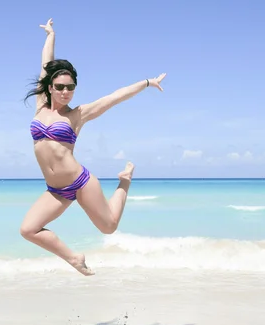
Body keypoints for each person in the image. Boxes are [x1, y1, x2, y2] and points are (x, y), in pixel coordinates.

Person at [20, 18, 166, 276]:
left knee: (108, 227)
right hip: (56, 190)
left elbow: (113, 98)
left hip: (80, 182)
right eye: (60, 87)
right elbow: (46, 62)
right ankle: (75, 258)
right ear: (50, 87)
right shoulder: (41, 104)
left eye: (71, 87)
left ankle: (124, 182)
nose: (66, 92)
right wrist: (51, 35)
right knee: (28, 229)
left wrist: (146, 83)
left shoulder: (78, 115)